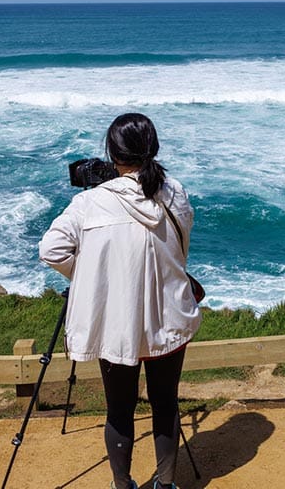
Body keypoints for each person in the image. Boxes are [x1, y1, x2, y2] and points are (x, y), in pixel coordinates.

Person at [39, 112, 201, 489]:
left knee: (119, 410)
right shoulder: (175, 192)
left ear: (113, 154)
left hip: (116, 324)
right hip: (168, 318)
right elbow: (180, 251)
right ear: (153, 149)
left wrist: (94, 275)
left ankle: (122, 484)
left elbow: (52, 250)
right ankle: (166, 483)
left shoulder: (90, 202)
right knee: (165, 405)